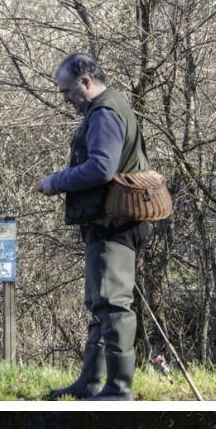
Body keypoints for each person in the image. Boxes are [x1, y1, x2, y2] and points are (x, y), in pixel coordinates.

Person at [36, 53, 152, 401]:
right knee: (100, 303)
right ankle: (90, 382)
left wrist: (55, 182)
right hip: (109, 222)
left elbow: (101, 168)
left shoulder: (104, 113)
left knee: (113, 305)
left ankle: (118, 389)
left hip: (114, 224)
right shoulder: (110, 107)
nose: (65, 97)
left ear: (86, 81)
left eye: (67, 90)